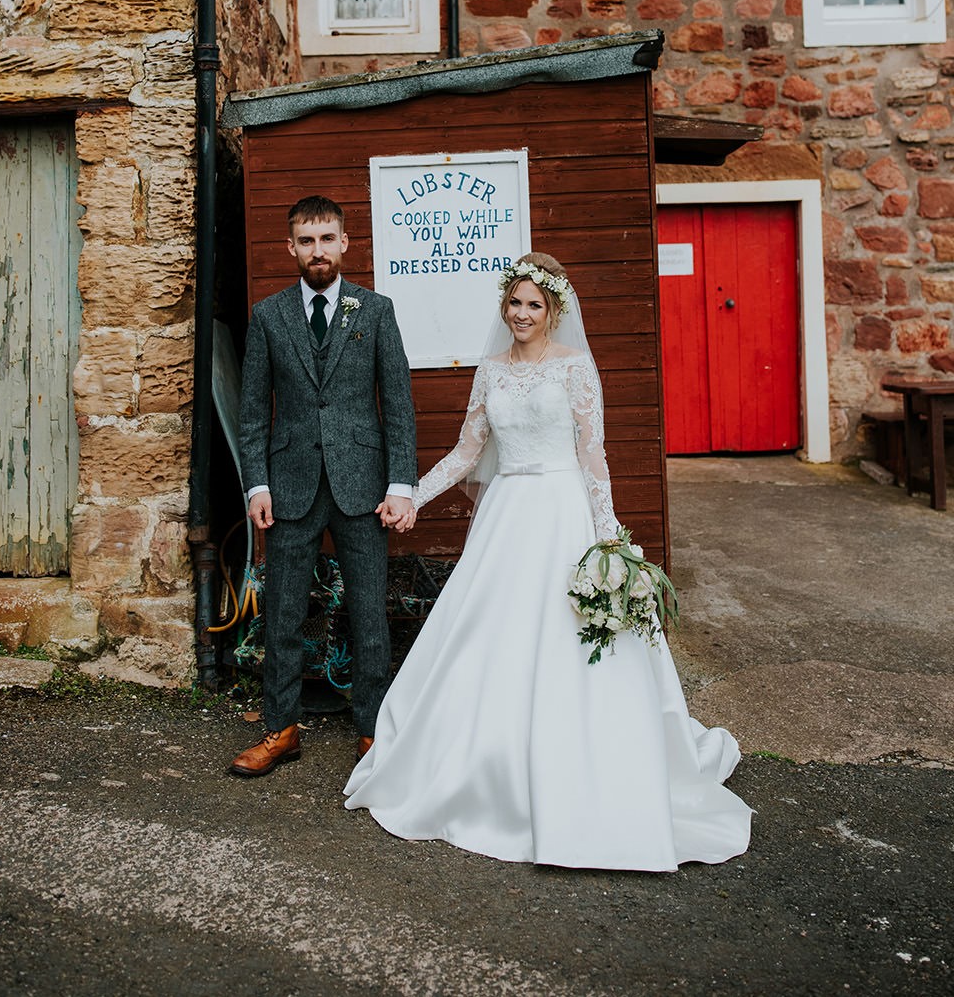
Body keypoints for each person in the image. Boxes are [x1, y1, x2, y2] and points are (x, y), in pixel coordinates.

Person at [345, 252, 752, 870]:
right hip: (508, 512)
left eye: (535, 304)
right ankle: (485, 765)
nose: (522, 314)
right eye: (514, 303)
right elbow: (465, 452)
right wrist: (411, 496)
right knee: (489, 634)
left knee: (569, 634)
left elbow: (594, 455)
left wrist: (608, 535)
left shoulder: (575, 368)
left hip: (562, 510)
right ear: (503, 308)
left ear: (554, 309)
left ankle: (585, 762)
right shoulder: (490, 371)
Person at [230, 195, 417, 776]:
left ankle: (372, 731)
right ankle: (280, 729)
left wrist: (402, 484)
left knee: (369, 614)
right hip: (289, 487)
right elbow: (254, 410)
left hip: (363, 486)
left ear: (344, 243)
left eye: (326, 239)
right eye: (306, 241)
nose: (318, 250)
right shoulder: (268, 315)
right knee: (283, 613)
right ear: (291, 247)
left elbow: (400, 405)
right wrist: (255, 485)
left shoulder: (376, 310)